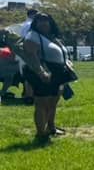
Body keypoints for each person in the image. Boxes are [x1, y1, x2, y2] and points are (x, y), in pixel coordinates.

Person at [20, 13, 72, 143]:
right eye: (39, 21)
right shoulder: (33, 36)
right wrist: (41, 72)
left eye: (46, 20)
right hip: (41, 72)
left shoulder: (52, 37)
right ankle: (41, 133)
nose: (43, 23)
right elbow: (32, 56)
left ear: (51, 22)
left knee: (53, 102)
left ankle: (51, 127)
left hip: (56, 72)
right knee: (42, 103)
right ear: (35, 23)